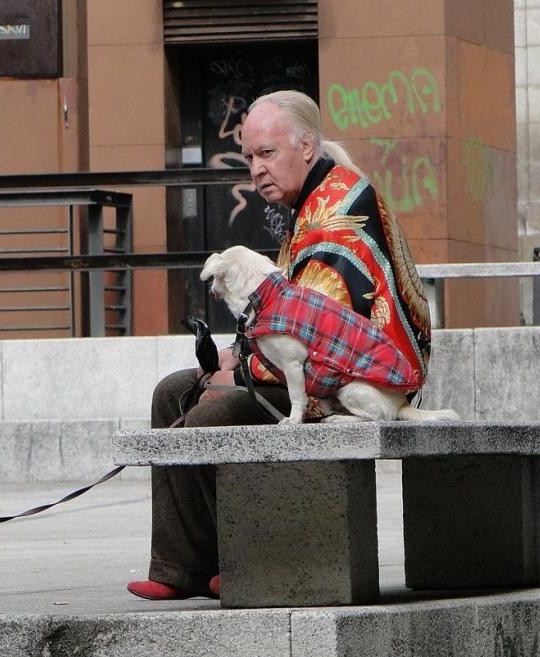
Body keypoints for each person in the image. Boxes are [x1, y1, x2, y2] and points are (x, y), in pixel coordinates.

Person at [127, 90, 433, 601]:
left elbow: (317, 338)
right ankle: (182, 566)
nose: (256, 169)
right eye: (249, 157)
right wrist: (234, 357)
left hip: (359, 388)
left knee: (209, 414)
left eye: (267, 154)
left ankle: (248, 560)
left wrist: (242, 371)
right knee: (172, 392)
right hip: (323, 369)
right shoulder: (309, 199)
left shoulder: (339, 210)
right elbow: (283, 310)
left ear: (307, 147)